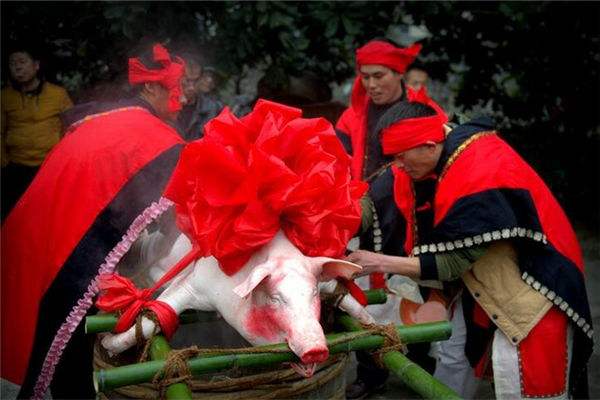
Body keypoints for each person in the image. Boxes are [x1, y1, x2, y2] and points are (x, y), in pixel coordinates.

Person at [347, 87, 593, 399]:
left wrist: (377, 261)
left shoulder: (478, 171)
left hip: (535, 287)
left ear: (427, 145)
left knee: (526, 380)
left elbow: (451, 263)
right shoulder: (439, 150)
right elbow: (377, 194)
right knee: (455, 351)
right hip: (481, 280)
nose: (398, 167)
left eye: (401, 157)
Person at [1, 42, 187, 399]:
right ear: (150, 87)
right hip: (65, 235)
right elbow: (175, 214)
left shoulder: (110, 117)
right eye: (177, 88)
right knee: (61, 337)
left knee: (34, 331)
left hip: (37, 223)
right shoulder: (152, 134)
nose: (182, 97)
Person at [335, 39, 428, 398]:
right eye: (365, 77)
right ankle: (371, 374)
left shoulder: (420, 111)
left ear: (399, 73)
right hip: (363, 216)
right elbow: (338, 159)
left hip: (409, 222)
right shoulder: (353, 115)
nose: (372, 85)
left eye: (379, 76)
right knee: (363, 297)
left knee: (413, 293)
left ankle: (419, 366)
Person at [1, 44, 73, 220]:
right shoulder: (4, 97)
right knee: (15, 217)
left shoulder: (58, 94)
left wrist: (63, 161)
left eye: (22, 61)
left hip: (49, 167)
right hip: (16, 167)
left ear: (36, 65)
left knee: (48, 216)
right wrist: (4, 163)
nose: (17, 67)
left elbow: (71, 128)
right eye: (12, 63)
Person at [176, 56, 223, 141]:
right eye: (187, 80)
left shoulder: (212, 108)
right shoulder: (164, 105)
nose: (191, 87)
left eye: (195, 80)